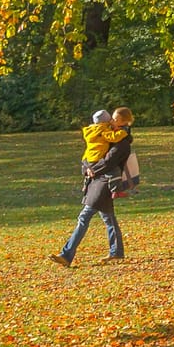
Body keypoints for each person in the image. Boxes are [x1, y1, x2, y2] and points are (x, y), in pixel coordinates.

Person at [52, 106, 134, 267]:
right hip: (97, 180)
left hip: (104, 182)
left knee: (85, 216)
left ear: (124, 122)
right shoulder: (106, 134)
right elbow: (90, 153)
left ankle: (66, 255)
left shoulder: (122, 141)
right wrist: (86, 167)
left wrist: (92, 170)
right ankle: (116, 253)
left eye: (116, 120)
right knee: (108, 218)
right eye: (112, 119)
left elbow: (109, 161)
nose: (112, 121)